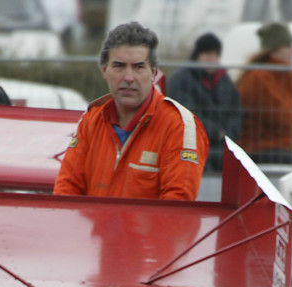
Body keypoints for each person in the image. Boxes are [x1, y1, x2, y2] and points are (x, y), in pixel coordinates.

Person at [53, 21, 208, 200]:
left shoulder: (179, 126)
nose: (128, 77)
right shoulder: (91, 121)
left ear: (153, 73)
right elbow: (66, 190)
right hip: (92, 228)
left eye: (138, 67)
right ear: (105, 71)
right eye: (119, 66)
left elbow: (177, 206)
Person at [165, 32, 243, 172]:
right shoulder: (181, 80)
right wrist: (216, 133)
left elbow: (236, 111)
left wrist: (229, 133)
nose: (212, 59)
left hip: (222, 148)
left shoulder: (224, 81)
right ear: (197, 55)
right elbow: (186, 113)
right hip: (191, 146)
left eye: (215, 55)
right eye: (207, 54)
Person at [235, 22, 292, 165]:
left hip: (285, 145)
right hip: (259, 148)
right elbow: (283, 118)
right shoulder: (259, 78)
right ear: (273, 50)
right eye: (288, 46)